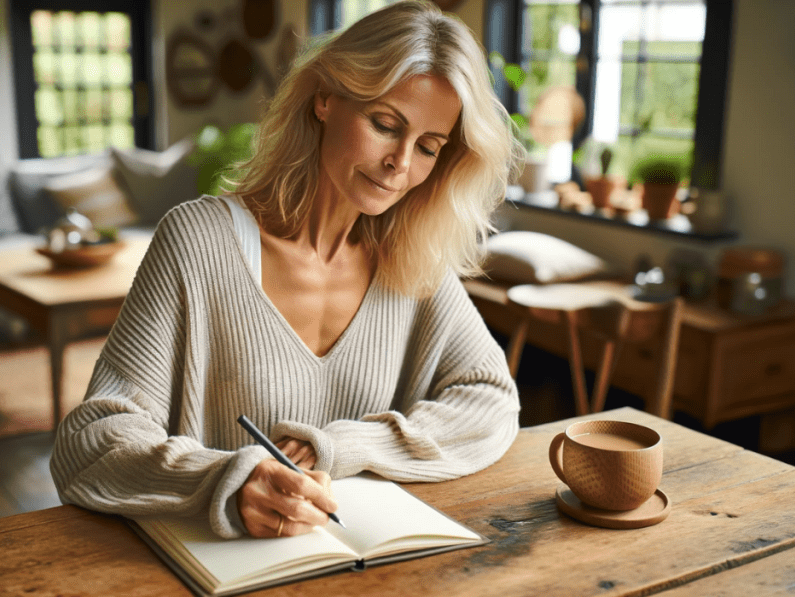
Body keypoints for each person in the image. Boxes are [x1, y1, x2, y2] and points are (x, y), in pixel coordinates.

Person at [50, 0, 524, 540]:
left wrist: (344, 446)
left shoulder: (412, 260)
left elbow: (491, 399)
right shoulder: (199, 242)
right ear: (325, 98)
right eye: (385, 124)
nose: (401, 163)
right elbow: (90, 441)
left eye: (429, 147)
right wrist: (225, 480)